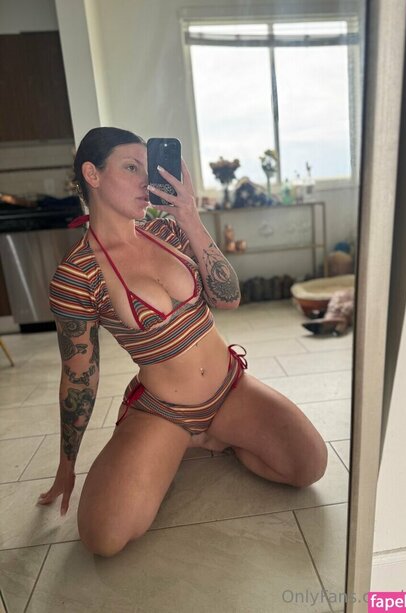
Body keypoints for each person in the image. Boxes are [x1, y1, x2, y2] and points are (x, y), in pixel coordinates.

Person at [36, 127, 328, 558]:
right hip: (165, 409)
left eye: (147, 167)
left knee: (309, 465)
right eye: (131, 167)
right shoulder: (77, 275)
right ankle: (181, 441)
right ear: (92, 175)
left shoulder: (167, 231)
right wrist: (66, 464)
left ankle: (216, 437)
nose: (145, 180)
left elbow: (228, 298)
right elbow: (79, 378)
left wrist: (189, 216)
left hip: (230, 387)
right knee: (103, 538)